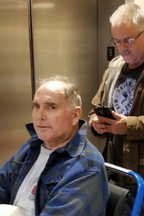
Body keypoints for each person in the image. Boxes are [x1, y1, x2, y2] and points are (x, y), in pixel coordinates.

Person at [88, 3, 144, 216]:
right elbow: (95, 108)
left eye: (128, 40)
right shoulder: (114, 68)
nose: (122, 48)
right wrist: (96, 123)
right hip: (117, 172)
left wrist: (129, 126)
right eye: (117, 41)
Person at [0, 75, 109, 216]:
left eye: (51, 107)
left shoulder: (86, 168)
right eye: (36, 106)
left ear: (75, 115)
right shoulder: (32, 147)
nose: (40, 116)